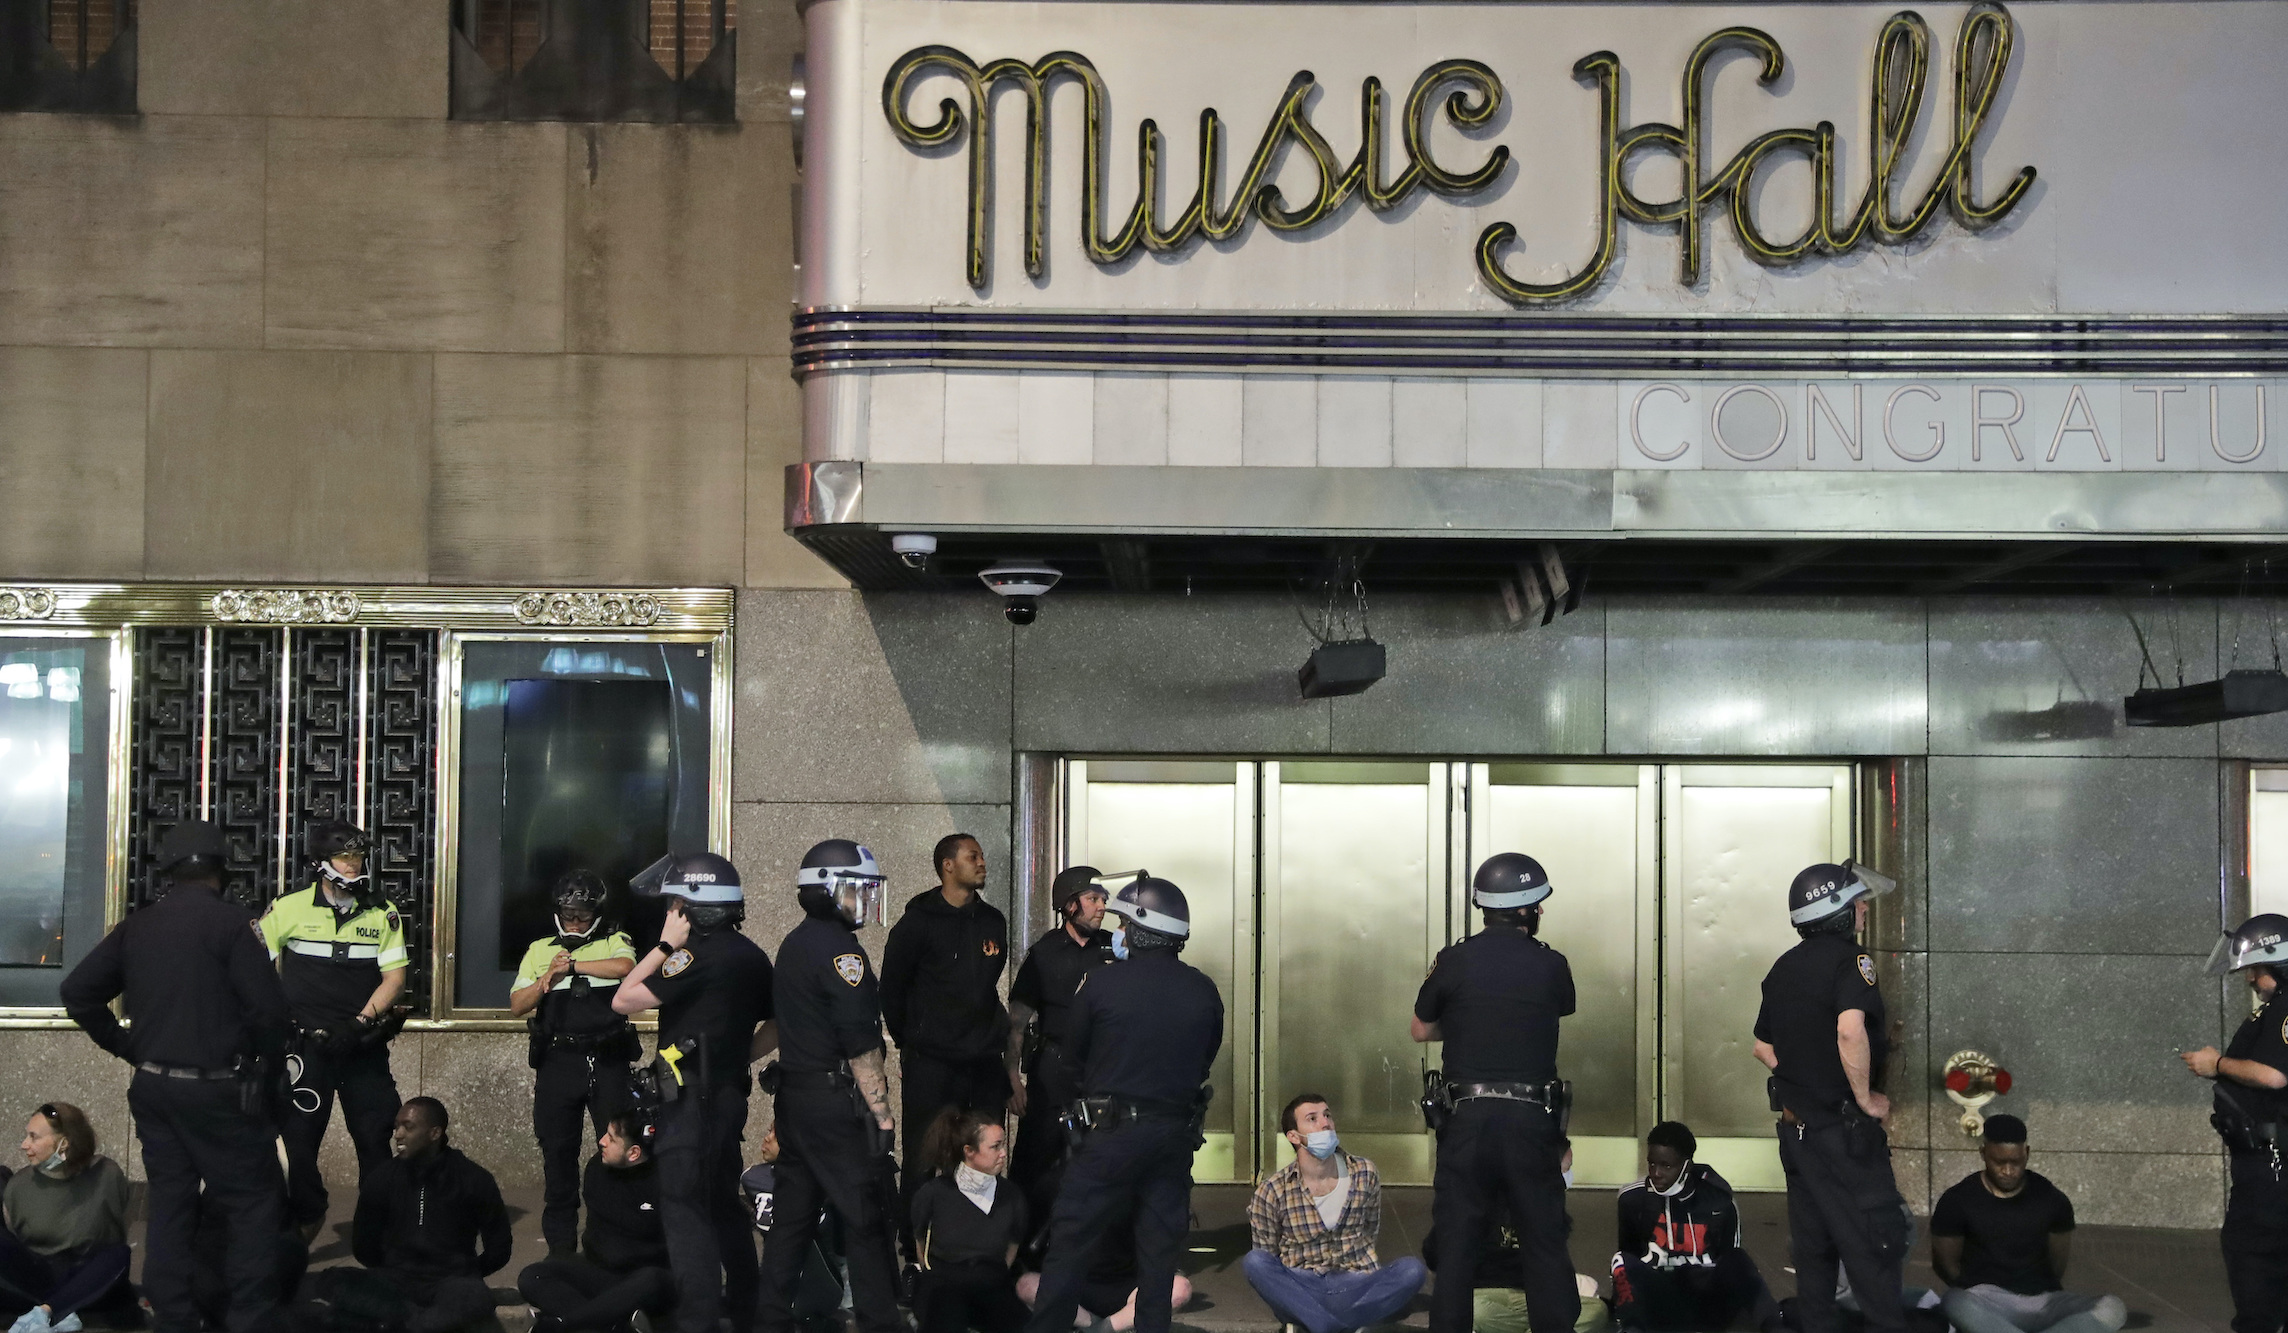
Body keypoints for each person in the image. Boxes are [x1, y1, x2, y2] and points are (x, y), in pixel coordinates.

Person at [60, 819, 294, 1333]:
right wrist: (265, 1072)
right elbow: (269, 1014)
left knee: (169, 1204)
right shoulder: (234, 925)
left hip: (154, 1088)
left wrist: (128, 1047)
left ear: (167, 872)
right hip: (220, 1090)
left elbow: (77, 993)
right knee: (252, 1206)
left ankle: (173, 1318)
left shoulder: (138, 927)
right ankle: (249, 1318)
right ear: (221, 872)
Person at [1022, 873, 1222, 1333]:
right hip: (1172, 1140)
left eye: (1125, 924)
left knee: (1069, 1246)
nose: (1120, 932)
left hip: (1109, 1138)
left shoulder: (1101, 984)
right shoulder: (1204, 990)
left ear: (1141, 928)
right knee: (1157, 1257)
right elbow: (1205, 1060)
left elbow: (1072, 1059)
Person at [1412, 853, 1579, 1333]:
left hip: (1465, 1120)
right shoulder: (1552, 964)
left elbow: (1420, 1029)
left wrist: (1467, 1023)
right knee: (1543, 1242)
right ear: (1526, 909)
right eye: (1538, 904)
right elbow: (1551, 1013)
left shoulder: (1453, 959)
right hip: (1531, 1119)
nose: (1541, 911)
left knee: (1457, 1245)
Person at [610, 853, 774, 1333]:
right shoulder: (752, 955)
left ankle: (697, 1320)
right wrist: (736, 1057)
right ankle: (745, 1307)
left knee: (684, 1209)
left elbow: (623, 998)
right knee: (722, 1202)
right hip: (726, 1096)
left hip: (688, 1103)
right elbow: (777, 1023)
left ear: (695, 908)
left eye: (675, 904)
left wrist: (665, 944)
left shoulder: (692, 956)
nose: (670, 911)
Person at [1751, 861, 1906, 1333]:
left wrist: (1804, 1079)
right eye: (1857, 901)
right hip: (1843, 1135)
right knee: (1874, 1248)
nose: (1864, 909)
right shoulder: (1852, 962)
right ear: (1837, 912)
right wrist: (1866, 1098)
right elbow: (1849, 1030)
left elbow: (1762, 1047)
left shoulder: (1783, 967)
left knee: (1814, 1255)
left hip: (1797, 1135)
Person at [759, 839, 902, 1333]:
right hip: (834, 1105)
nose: (865, 900)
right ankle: (880, 1322)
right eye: (858, 890)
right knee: (864, 1216)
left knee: (791, 1222)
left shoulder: (795, 943)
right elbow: (860, 1044)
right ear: (827, 891)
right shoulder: (843, 954)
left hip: (795, 1101)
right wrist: (882, 1114)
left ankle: (769, 1320)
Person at [259, 819, 410, 1239]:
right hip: (306, 1048)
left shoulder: (382, 911)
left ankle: (376, 1235)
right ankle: (308, 1214)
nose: (353, 864)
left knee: (375, 1138)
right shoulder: (288, 908)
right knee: (296, 1142)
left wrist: (359, 1023)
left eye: (358, 856)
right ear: (320, 862)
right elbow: (254, 968)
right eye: (345, 856)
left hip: (361, 1046)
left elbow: (395, 980)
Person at [883, 832, 1014, 1267]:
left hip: (983, 1062)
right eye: (972, 856)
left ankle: (980, 1253)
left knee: (987, 1156)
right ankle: (915, 1259)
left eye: (981, 855)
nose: (982, 862)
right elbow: (892, 990)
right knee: (924, 1161)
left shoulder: (992, 921)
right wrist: (911, 1043)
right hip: (933, 1063)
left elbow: (987, 987)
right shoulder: (917, 923)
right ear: (947, 866)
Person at [512, 870, 639, 1259]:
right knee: (558, 1155)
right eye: (569, 915)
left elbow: (625, 968)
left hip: (607, 1061)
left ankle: (613, 1243)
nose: (575, 923)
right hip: (559, 1063)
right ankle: (560, 1251)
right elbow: (517, 1005)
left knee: (618, 1149)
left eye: (583, 916)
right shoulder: (540, 949)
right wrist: (546, 979)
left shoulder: (614, 940)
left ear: (597, 914)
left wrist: (574, 966)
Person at [2180, 913, 2288, 1333]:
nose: (2250, 979)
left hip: (2272, 1164)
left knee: (2253, 1255)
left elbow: (2274, 1076)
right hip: (2263, 1160)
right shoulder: (2275, 1008)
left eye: (2256, 970)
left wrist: (2217, 1064)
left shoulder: (2285, 1009)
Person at [1241, 1093, 1425, 1333]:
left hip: (1355, 1282)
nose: (1325, 1123)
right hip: (1303, 1285)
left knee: (1412, 1270)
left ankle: (1317, 1324)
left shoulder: (1363, 1172)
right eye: (1312, 1119)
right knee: (1255, 1262)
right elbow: (1267, 1252)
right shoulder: (1272, 1190)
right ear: (1294, 1136)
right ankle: (1342, 1325)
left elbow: (1370, 1230)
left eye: (1327, 1115)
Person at [1929, 1116, 2125, 1333]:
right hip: (1985, 1303)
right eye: (1999, 1162)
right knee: (1954, 1301)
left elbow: (2058, 1263)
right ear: (1983, 1153)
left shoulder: (2051, 1198)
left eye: (2016, 1162)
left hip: (2045, 1301)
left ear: (2027, 1153)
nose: (2008, 1170)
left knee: (2112, 1308)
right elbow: (1946, 1266)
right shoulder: (1957, 1200)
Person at [336, 1098, 512, 1333]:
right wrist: (391, 1268)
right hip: (395, 1278)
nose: (398, 1134)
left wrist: (467, 1272)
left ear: (434, 1133)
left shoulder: (473, 1179)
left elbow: (499, 1248)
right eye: (396, 1127)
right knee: (338, 1284)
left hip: (452, 1281)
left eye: (408, 1127)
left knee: (474, 1298)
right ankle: (418, 1322)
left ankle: (408, 1324)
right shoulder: (382, 1179)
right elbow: (363, 1245)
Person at [1007, 866, 1116, 1224]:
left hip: (1102, 1068)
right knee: (1036, 1157)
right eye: (1093, 899)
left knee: (1101, 1157)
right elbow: (1016, 1023)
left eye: (1103, 899)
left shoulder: (1115, 949)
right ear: (1069, 905)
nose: (1101, 907)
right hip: (1053, 1069)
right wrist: (1013, 1080)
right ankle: (1024, 1240)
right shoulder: (1044, 953)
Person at [1611, 1121, 1778, 1333]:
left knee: (1739, 1258)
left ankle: (1775, 1327)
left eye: (1666, 1166)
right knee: (1621, 1261)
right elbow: (1630, 1257)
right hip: (1659, 1299)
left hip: (1708, 1300)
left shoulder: (1719, 1200)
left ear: (1687, 1166)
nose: (1656, 1173)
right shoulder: (1633, 1198)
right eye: (1651, 1164)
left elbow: (1729, 1261)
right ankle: (1632, 1329)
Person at [518, 1113, 675, 1333]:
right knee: (532, 1276)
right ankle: (614, 1326)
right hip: (600, 1271)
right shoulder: (597, 1168)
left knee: (653, 1280)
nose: (602, 1141)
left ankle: (561, 1326)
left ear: (634, 1153)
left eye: (611, 1139)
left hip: (641, 1278)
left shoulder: (664, 1182)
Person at [0, 1104, 130, 1333]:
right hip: (41, 1274)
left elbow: (117, 1229)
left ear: (64, 1142)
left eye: (34, 1137)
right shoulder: (19, 1185)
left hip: (89, 1276)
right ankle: (55, 1309)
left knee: (118, 1255)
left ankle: (46, 1311)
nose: (24, 1145)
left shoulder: (107, 1174)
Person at [912, 1110, 1030, 1333]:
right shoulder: (934, 1193)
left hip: (991, 1285)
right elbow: (920, 1242)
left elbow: (1012, 1246)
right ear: (969, 1151)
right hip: (945, 1286)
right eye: (995, 1147)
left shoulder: (1012, 1196)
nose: (1003, 1153)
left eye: (1003, 1145)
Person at [741, 1125, 845, 1333]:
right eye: (768, 1131)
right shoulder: (753, 1178)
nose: (767, 1139)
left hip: (819, 1274)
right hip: (776, 1273)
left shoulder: (823, 1182)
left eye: (777, 1135)